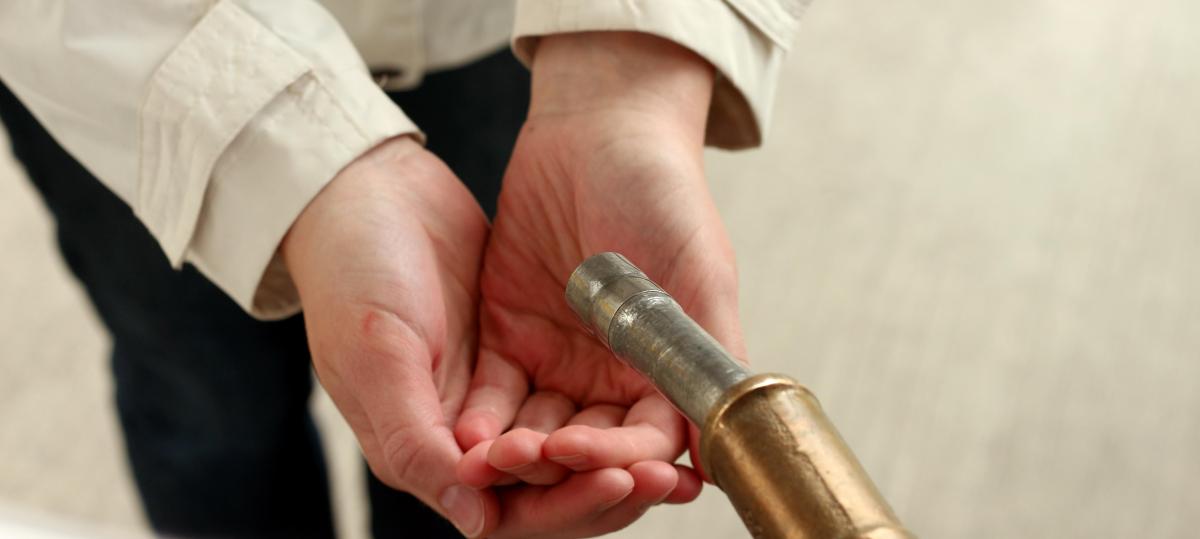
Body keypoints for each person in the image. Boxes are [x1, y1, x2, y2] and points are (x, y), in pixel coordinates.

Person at [0, 1, 805, 537]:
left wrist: (626, 69)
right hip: (118, 71)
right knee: (206, 408)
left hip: (514, 29)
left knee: (468, 446)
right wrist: (277, 136)